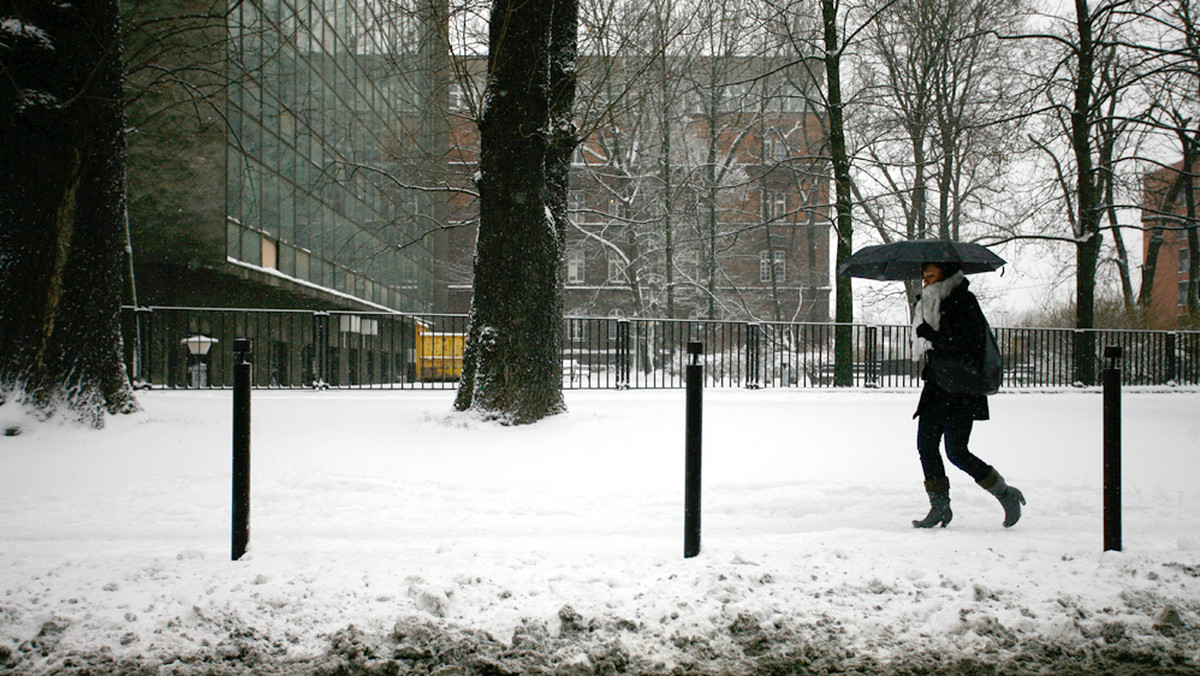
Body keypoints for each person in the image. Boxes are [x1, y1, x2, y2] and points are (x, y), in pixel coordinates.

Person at [910, 261, 1025, 529]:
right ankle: (940, 506)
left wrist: (933, 336)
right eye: (924, 276)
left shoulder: (963, 300)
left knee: (957, 452)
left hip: (961, 390)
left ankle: (1006, 494)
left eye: (931, 275)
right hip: (937, 387)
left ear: (946, 275)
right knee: (926, 447)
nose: (926, 281)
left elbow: (968, 344)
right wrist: (928, 336)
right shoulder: (929, 303)